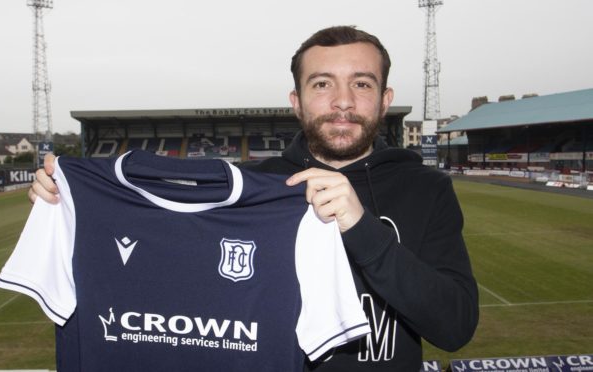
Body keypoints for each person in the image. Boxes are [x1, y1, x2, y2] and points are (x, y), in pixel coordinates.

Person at [29, 25, 478, 371]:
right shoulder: (248, 188)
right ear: (297, 101)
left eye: (361, 84)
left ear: (384, 100)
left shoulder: (427, 189)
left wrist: (363, 230)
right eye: (322, 84)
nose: (342, 101)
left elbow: (454, 327)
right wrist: (69, 203)